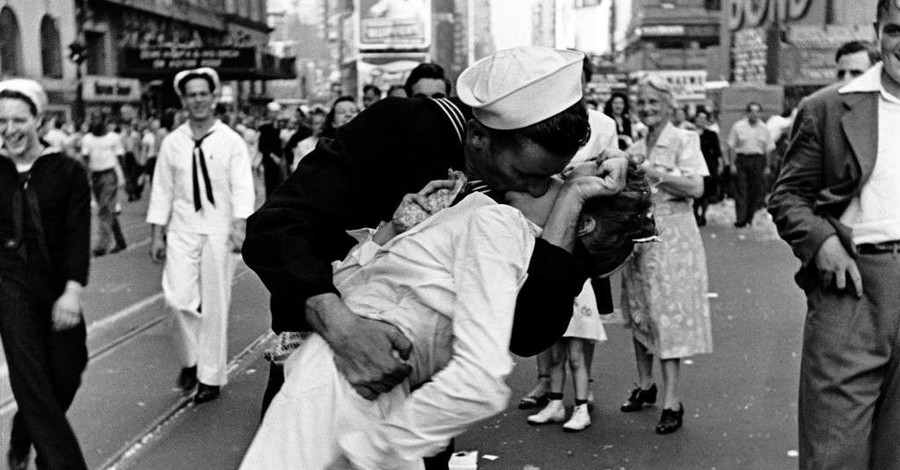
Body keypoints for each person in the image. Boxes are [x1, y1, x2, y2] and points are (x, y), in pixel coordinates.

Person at [242, 46, 628, 469]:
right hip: (328, 368)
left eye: (551, 176)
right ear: (478, 137)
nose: (539, 190)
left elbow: (528, 331)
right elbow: (276, 227)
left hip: (414, 406)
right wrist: (341, 324)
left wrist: (575, 205)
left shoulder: (518, 206)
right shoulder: (405, 127)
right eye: (528, 175)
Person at [241, 165, 654, 469]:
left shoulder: (505, 231)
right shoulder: (492, 220)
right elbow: (348, 282)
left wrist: (381, 444)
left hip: (343, 384)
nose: (554, 175)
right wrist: (391, 232)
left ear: (580, 219)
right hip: (366, 390)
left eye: (565, 179)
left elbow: (482, 377)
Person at [768, 1, 900, 466]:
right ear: (877, 31)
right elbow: (787, 197)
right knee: (834, 451)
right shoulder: (827, 108)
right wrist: (822, 243)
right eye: (895, 30)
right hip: (855, 288)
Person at [146, 67, 255, 404]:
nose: (198, 100)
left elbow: (242, 186)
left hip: (219, 230)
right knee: (176, 300)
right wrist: (156, 234)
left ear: (213, 98)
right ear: (183, 100)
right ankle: (191, 360)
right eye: (191, 95)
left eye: (203, 94)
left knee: (216, 305)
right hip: (181, 229)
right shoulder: (173, 143)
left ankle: (210, 376)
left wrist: (240, 226)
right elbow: (162, 190)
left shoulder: (231, 141)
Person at [0, 79, 90, 470]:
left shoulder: (66, 171)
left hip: (56, 284)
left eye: (19, 119)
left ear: (39, 119)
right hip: (8, 285)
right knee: (32, 382)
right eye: (1, 121)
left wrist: (71, 292)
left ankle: (24, 431)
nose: (9, 129)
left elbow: (77, 233)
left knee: (67, 372)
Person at [619, 76, 712, 435]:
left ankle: (673, 401)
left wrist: (652, 172)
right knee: (641, 312)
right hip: (640, 238)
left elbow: (696, 187)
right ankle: (646, 384)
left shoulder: (686, 140)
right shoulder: (636, 144)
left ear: (669, 105)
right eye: (641, 102)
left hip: (674, 239)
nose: (647, 109)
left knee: (668, 317)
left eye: (654, 103)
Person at [81, 118, 128, 256]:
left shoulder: (113, 138)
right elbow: (85, 158)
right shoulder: (87, 139)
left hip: (109, 175)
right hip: (95, 175)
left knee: (104, 208)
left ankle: (102, 244)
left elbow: (120, 157)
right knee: (108, 210)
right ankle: (120, 241)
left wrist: (125, 175)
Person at [726, 102, 775, 228]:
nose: (754, 114)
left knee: (756, 190)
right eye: (752, 111)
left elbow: (768, 148)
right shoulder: (738, 126)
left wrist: (768, 166)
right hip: (742, 159)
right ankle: (740, 219)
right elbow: (731, 145)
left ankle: (749, 217)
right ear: (747, 113)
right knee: (741, 190)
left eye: (757, 111)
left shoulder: (764, 129)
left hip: (758, 161)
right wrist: (732, 164)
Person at [692, 109, 722, 226]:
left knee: (706, 192)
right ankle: (695, 212)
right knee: (695, 192)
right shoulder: (690, 133)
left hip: (708, 166)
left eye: (704, 118)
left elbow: (717, 152)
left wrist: (719, 165)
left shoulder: (711, 134)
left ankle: (703, 214)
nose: (702, 121)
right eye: (700, 118)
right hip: (693, 166)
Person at [259, 101, 286, 198]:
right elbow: (262, 147)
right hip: (270, 162)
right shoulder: (264, 128)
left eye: (276, 112)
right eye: (272, 112)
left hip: (280, 161)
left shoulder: (279, 127)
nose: (274, 114)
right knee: (270, 186)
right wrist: (274, 157)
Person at [290, 107, 327, 172]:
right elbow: (296, 170)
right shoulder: (302, 145)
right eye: (316, 123)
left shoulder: (334, 143)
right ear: (311, 125)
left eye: (323, 123)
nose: (321, 126)